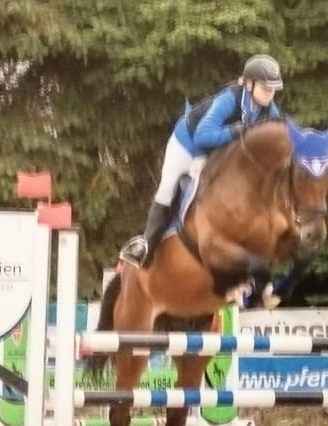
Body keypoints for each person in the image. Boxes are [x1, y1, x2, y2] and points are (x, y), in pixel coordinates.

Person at [120, 54, 284, 267]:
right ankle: (146, 247)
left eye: (273, 89)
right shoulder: (229, 99)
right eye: (265, 88)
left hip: (215, 154)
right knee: (167, 189)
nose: (270, 93)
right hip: (186, 144)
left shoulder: (269, 111)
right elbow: (202, 137)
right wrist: (235, 131)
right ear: (249, 84)